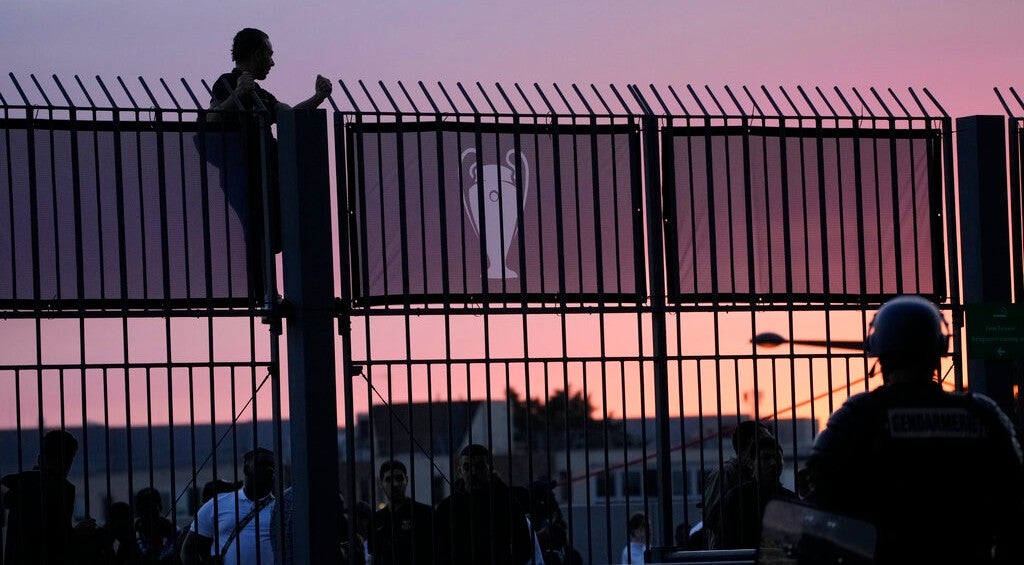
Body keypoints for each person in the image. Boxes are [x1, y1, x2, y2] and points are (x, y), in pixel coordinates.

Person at [805, 295, 1024, 564]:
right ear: (938, 351)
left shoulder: (858, 416)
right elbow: (1014, 499)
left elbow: (820, 493)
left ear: (881, 357)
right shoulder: (982, 414)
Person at [205, 27, 332, 297]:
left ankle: (279, 290)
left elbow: (288, 116)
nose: (273, 62)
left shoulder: (261, 95)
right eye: (269, 55)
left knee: (279, 230)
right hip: (244, 176)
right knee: (258, 231)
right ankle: (266, 292)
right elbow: (210, 120)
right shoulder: (227, 83)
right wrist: (236, 95)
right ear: (256, 54)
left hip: (270, 174)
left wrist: (317, 98)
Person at [1, 429, 97, 565]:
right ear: (68, 462)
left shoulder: (21, 487)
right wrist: (78, 533)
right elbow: (56, 545)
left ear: (40, 459)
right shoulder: (60, 489)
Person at [434, 444, 533, 565]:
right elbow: (438, 550)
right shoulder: (446, 508)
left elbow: (524, 548)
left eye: (480, 466)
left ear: (490, 468)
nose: (473, 472)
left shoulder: (507, 503)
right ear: (460, 471)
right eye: (467, 467)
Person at [180, 448, 276, 565]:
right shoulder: (218, 503)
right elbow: (189, 550)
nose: (269, 469)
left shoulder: (281, 507)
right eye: (263, 464)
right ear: (246, 469)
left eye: (272, 466)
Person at [700, 419, 777, 549]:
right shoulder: (725, 472)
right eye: (764, 440)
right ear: (750, 444)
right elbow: (713, 517)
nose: (770, 444)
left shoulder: (758, 475)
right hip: (730, 555)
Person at [717, 434, 796, 548]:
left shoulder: (791, 500)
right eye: (766, 458)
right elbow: (725, 543)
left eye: (777, 457)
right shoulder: (736, 498)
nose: (773, 463)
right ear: (750, 463)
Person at [370, 459, 435, 565]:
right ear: (381, 484)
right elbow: (374, 556)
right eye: (388, 480)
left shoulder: (425, 514)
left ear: (407, 480)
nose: (395, 484)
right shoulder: (377, 519)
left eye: (399, 478)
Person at [134, 487, 177, 564]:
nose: (148, 514)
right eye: (144, 509)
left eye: (151, 508)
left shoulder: (173, 531)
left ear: (159, 507)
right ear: (138, 511)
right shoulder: (133, 534)